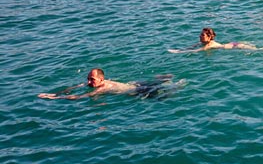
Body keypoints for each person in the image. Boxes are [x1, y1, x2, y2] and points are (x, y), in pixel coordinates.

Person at [38, 69, 175, 100]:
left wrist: (54, 98)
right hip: (132, 85)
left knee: (161, 95)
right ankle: (165, 78)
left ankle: (174, 84)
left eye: (92, 79)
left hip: (138, 90)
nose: (89, 82)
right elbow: (73, 89)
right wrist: (56, 93)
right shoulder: (92, 83)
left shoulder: (102, 88)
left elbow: (80, 97)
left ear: (102, 80)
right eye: (88, 79)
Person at [168, 27, 263, 53]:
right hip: (233, 44)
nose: (200, 37)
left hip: (235, 46)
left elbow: (196, 51)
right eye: (200, 35)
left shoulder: (209, 45)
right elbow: (191, 47)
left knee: (257, 50)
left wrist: (179, 53)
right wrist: (180, 49)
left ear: (209, 37)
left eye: (203, 36)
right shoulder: (201, 43)